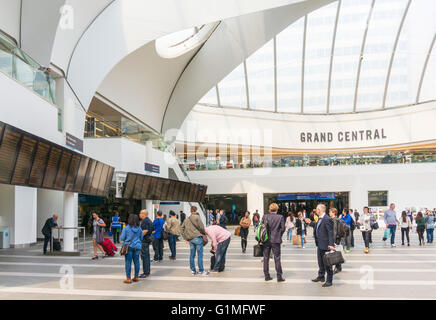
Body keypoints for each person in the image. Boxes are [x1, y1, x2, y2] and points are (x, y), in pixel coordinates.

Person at [306, 204, 335, 287]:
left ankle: (329, 280)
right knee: (320, 262)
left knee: (327, 263)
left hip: (326, 245)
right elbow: (317, 226)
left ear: (320, 210)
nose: (315, 210)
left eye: (316, 209)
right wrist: (310, 222)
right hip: (320, 244)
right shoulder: (320, 218)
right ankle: (321, 276)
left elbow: (330, 232)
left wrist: (331, 244)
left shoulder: (327, 219)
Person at [180, 206, 209, 276]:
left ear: (190, 211)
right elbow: (202, 227)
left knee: (192, 255)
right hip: (198, 238)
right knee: (200, 255)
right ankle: (201, 270)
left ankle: (193, 270)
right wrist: (203, 233)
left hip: (190, 239)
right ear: (196, 210)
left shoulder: (187, 219)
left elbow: (181, 228)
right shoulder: (197, 217)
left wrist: (185, 237)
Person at [263, 203, 286, 282]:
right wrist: (279, 235)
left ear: (269, 209)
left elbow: (262, 227)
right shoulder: (280, 217)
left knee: (266, 258)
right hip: (276, 240)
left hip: (266, 240)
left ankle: (266, 275)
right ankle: (279, 276)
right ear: (277, 209)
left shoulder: (265, 216)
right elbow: (283, 228)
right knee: (277, 258)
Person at [120, 214, 143, 284]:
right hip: (137, 246)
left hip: (129, 247)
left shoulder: (126, 228)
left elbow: (122, 238)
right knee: (137, 262)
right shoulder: (139, 228)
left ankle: (128, 278)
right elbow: (141, 238)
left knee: (128, 262)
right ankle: (136, 277)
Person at [139, 209, 154, 278]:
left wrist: (138, 237)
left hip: (144, 241)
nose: (139, 214)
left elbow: (144, 231)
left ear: (143, 214)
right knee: (146, 257)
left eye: (140, 213)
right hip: (146, 241)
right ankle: (146, 272)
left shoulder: (144, 221)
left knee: (145, 257)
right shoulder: (149, 220)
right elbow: (153, 231)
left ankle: (146, 272)